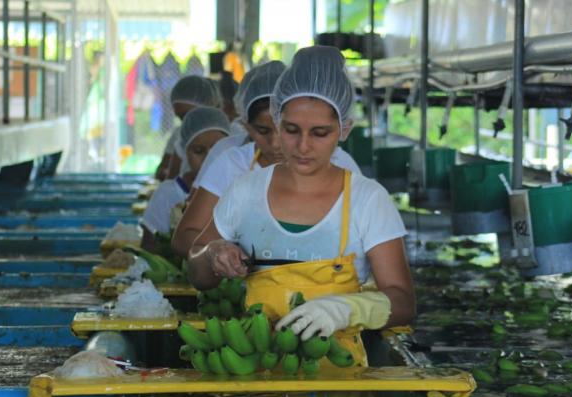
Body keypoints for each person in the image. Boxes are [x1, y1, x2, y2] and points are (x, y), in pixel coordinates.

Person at [186, 46, 415, 367]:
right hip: (258, 372)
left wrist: (346, 309)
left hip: (338, 378)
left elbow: (403, 301)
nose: (303, 146)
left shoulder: (367, 199)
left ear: (344, 129)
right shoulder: (246, 190)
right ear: (277, 121)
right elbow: (197, 274)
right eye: (291, 130)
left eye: (320, 133)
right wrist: (211, 254)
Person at [171, 61, 361, 258]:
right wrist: (220, 251)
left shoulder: (340, 164)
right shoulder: (233, 165)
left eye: (287, 129)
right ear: (245, 125)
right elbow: (185, 237)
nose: (275, 143)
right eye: (262, 131)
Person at [140, 107, 230, 255]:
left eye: (217, 150)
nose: (209, 158)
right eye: (199, 151)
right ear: (184, 151)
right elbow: (148, 246)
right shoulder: (167, 194)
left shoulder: (240, 190)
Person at [154, 76, 222, 181]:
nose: (186, 121)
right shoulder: (181, 135)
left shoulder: (230, 135)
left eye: (188, 114)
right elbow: (167, 177)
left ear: (208, 107)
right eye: (181, 117)